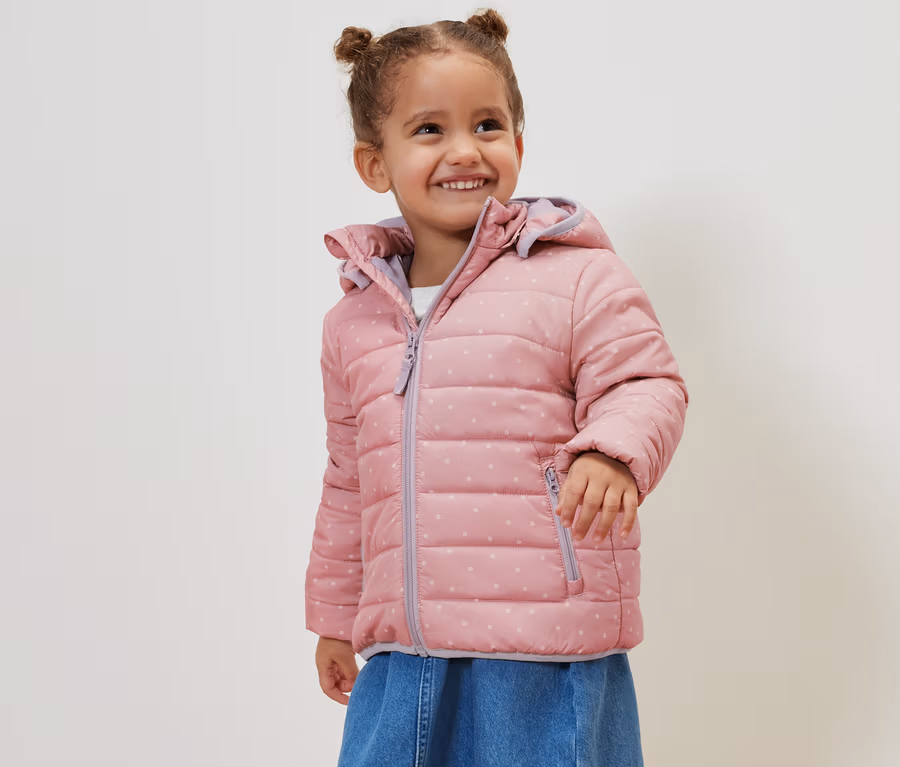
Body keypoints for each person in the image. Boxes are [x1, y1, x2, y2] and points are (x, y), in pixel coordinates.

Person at [304, 9, 690, 766]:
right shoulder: (354, 321)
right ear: (374, 163)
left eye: (487, 125)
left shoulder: (576, 276)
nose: (464, 150)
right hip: (404, 651)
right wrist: (335, 615)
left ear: (517, 142)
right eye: (429, 130)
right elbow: (349, 479)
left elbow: (647, 381)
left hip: (541, 642)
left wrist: (611, 451)